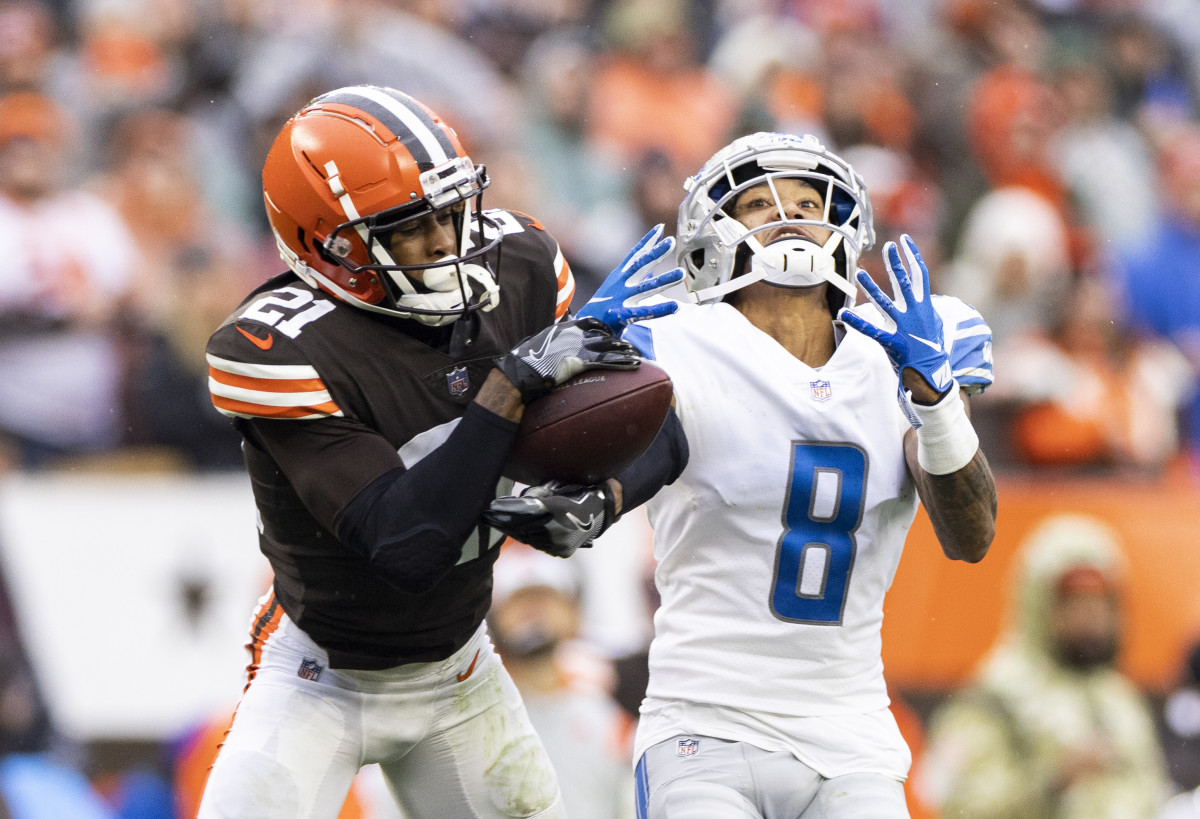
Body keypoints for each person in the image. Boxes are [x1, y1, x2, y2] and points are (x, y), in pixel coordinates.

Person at [197, 84, 683, 819]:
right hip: (319, 676)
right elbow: (407, 542)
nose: (445, 242)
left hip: (459, 665)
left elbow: (666, 429)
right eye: (409, 228)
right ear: (327, 244)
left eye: (450, 213)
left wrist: (605, 499)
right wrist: (508, 388)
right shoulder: (278, 348)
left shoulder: (518, 266)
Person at [488, 131, 999, 817]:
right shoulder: (680, 338)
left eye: (806, 200)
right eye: (758, 202)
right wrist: (595, 495)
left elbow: (971, 535)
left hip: (849, 729)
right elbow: (656, 448)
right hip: (705, 721)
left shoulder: (904, 342)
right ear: (709, 236)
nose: (787, 215)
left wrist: (937, 406)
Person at [913, 513, 1170, 819]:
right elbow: (958, 807)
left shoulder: (1122, 702)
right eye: (1074, 602)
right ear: (1038, 605)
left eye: (1102, 602)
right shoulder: (993, 700)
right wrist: (1053, 782)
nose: (1091, 617)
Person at [488, 543, 637, 819]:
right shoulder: (475, 711)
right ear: (495, 618)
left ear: (573, 613)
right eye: (519, 600)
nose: (532, 611)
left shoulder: (607, 715)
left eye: (545, 597)